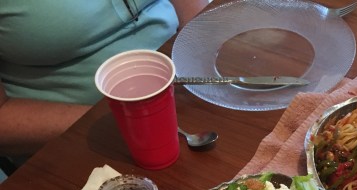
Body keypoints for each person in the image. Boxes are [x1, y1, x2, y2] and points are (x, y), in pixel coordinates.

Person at [0, 0, 204, 160]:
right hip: (84, 144)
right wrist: (127, 121)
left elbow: (195, 14)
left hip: (181, 97)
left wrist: (202, 54)